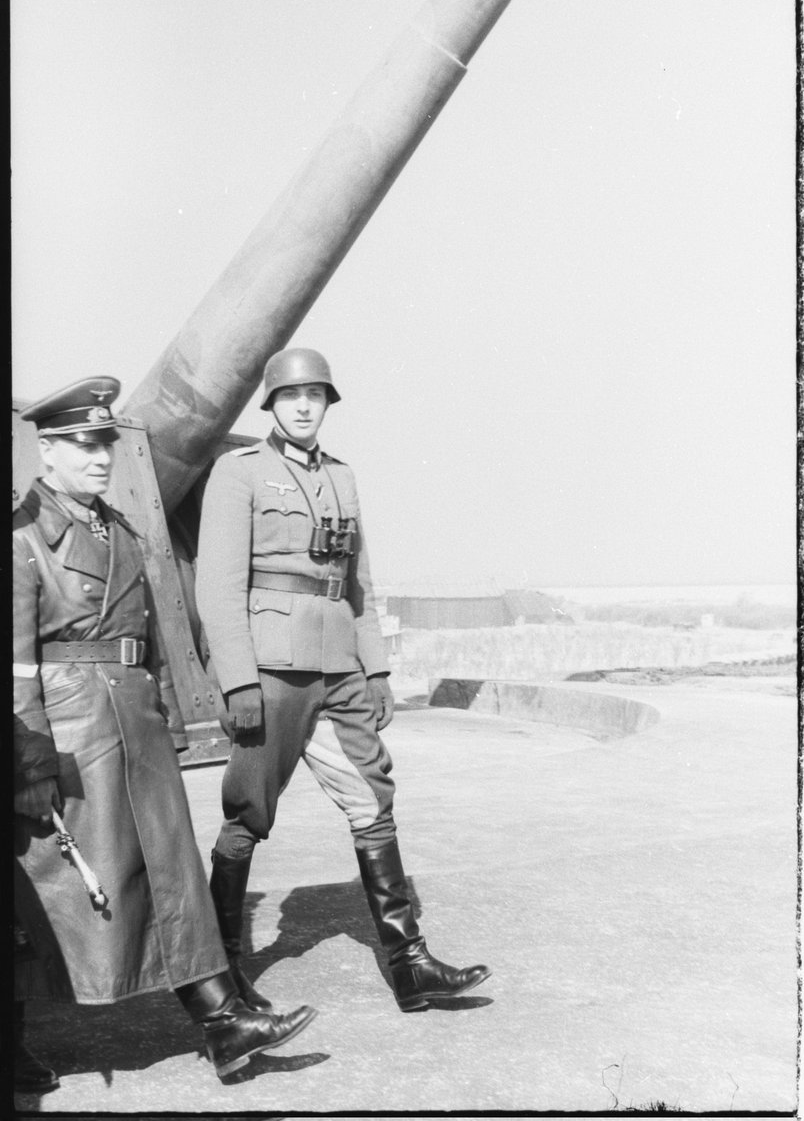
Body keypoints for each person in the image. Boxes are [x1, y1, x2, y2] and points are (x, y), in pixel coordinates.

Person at [13, 377, 317, 1090]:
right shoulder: (24, 539)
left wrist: (169, 721)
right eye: (82, 444)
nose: (99, 457)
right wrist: (29, 763)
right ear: (47, 450)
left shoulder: (115, 528)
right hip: (69, 729)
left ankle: (222, 1022)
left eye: (105, 443)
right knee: (47, 887)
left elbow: (146, 638)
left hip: (133, 721)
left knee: (172, 868)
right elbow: (15, 663)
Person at [195, 348, 490, 1013]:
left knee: (373, 801)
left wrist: (377, 666)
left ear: (328, 403)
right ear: (271, 404)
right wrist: (239, 681)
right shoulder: (239, 474)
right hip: (270, 668)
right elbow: (216, 586)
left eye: (316, 395)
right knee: (249, 813)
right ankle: (223, 972)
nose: (304, 406)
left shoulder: (343, 478)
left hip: (340, 668)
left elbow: (358, 580)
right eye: (291, 395)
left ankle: (408, 964)